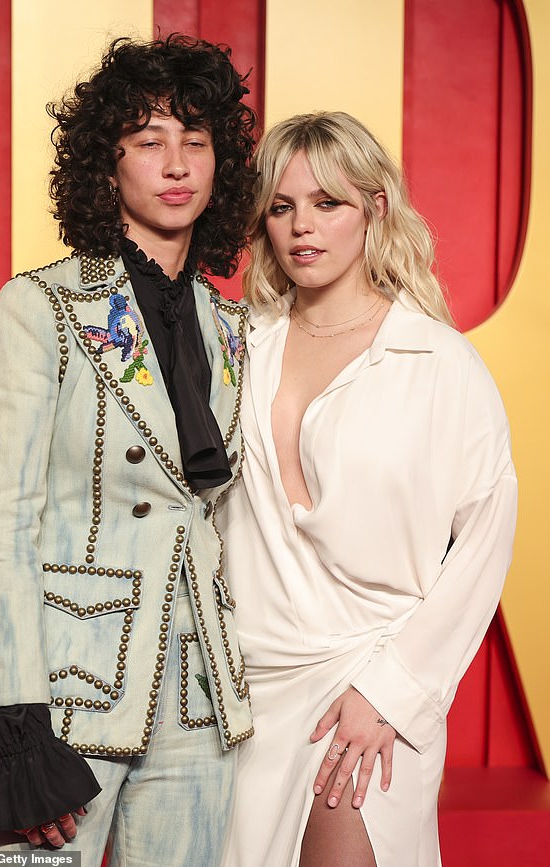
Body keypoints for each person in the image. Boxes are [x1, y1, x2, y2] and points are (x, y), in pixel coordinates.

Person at [0, 34, 256, 866]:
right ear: (109, 164)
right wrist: (17, 722)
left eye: (196, 142)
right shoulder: (41, 307)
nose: (177, 164)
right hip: (67, 692)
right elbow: (2, 523)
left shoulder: (232, 327)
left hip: (199, 698)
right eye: (149, 141)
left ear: (220, 165)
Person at [218, 111, 517, 867]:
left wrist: (394, 688)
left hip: (373, 683)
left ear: (375, 210)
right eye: (281, 207)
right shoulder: (238, 349)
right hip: (245, 693)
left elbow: (485, 538)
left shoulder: (437, 361)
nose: (301, 227)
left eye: (328, 203)